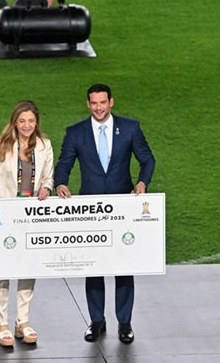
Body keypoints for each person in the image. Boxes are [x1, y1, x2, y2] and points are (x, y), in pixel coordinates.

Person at [54, 84, 155, 344]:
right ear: (88, 104)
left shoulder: (130, 128)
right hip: (90, 209)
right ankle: (97, 321)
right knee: (93, 266)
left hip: (123, 208)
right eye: (94, 103)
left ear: (111, 102)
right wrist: (60, 183)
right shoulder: (76, 133)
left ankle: (125, 323)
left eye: (103, 102)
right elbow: (64, 163)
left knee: (124, 266)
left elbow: (147, 159)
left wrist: (143, 183)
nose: (98, 108)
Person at [0, 100, 54, 347]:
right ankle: (2, 324)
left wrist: (47, 188)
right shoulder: (2, 143)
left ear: (36, 121)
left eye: (31, 121)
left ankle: (23, 321)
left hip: (31, 213)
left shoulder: (44, 145)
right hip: (5, 212)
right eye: (22, 121)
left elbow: (49, 176)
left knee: (28, 266)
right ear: (14, 122)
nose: (27, 125)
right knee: (2, 267)